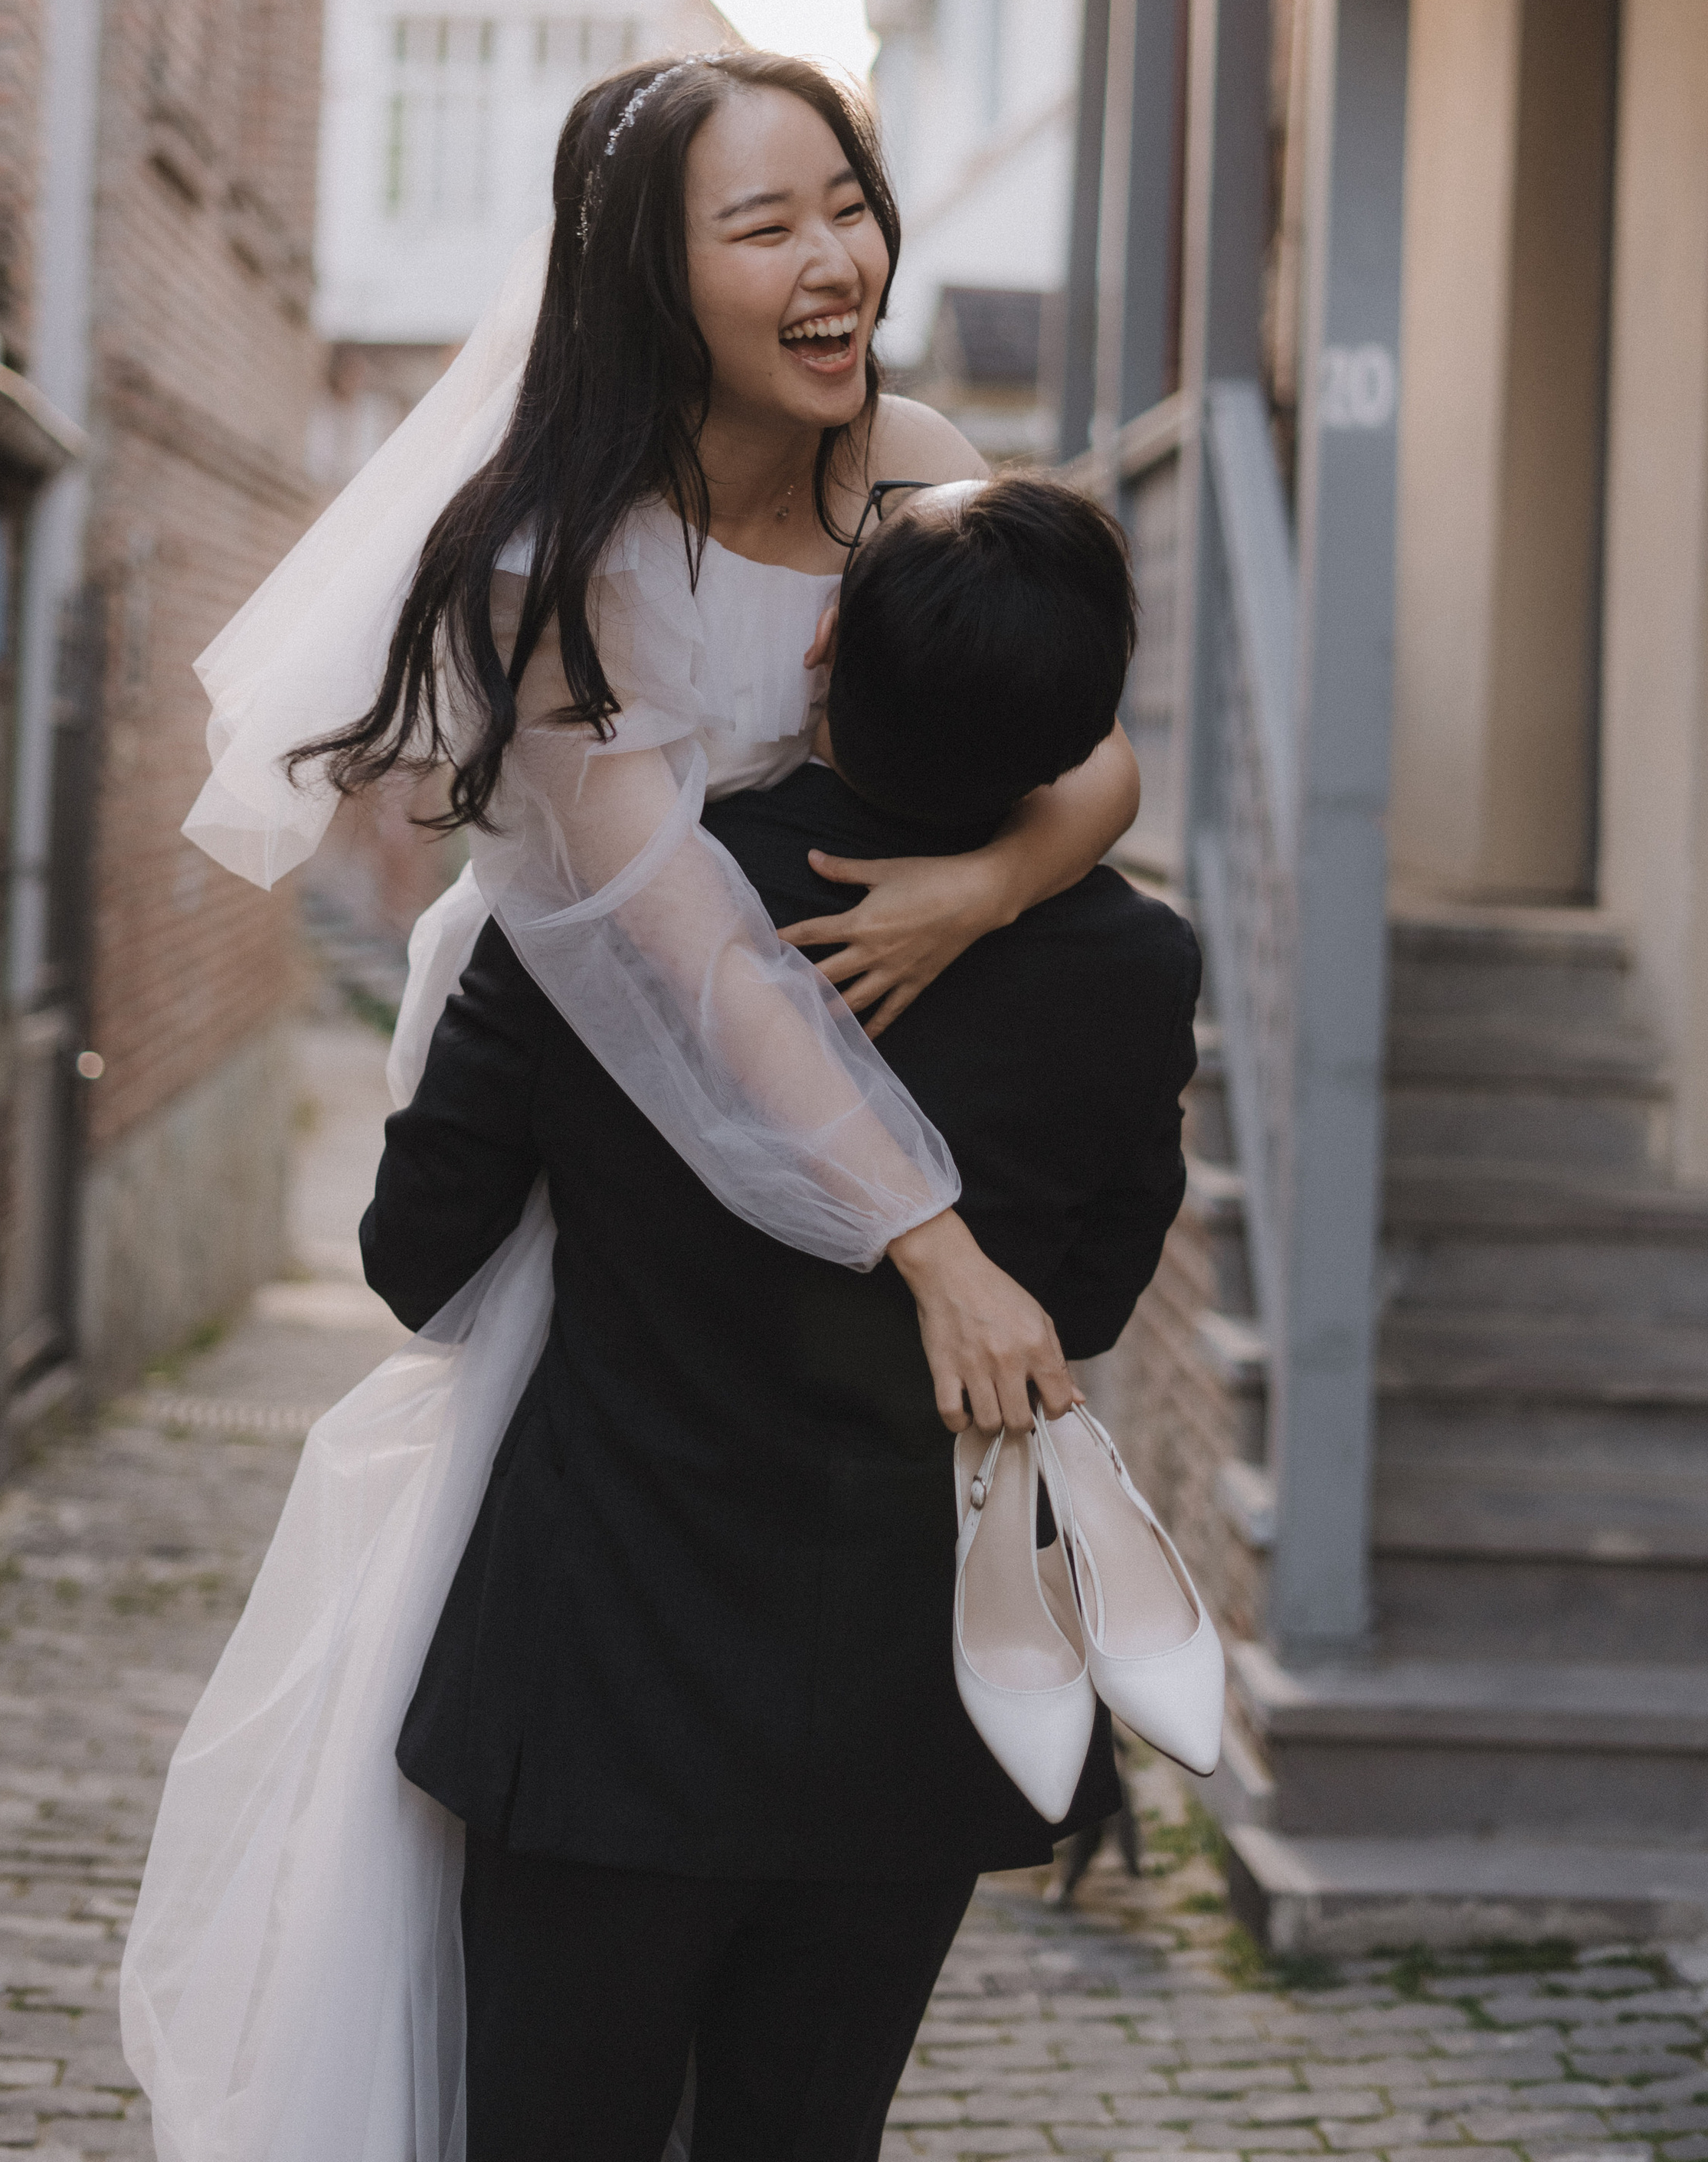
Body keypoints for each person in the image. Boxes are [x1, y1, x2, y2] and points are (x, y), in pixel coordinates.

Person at [122, 54, 1142, 2162]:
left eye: (845, 201)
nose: (832, 258)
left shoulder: (921, 462)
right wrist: (939, 1248)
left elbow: (1084, 736)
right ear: (647, 281)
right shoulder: (556, 567)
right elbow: (686, 957)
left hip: (837, 1030)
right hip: (614, 1030)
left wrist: (995, 878)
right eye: (762, 228)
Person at [362, 473, 1202, 2162]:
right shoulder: (1130, 970)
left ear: (820, 643)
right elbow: (1081, 1302)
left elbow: (415, 1255)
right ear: (1078, 727)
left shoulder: (617, 911)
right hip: (901, 1726)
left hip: (598, 1688)